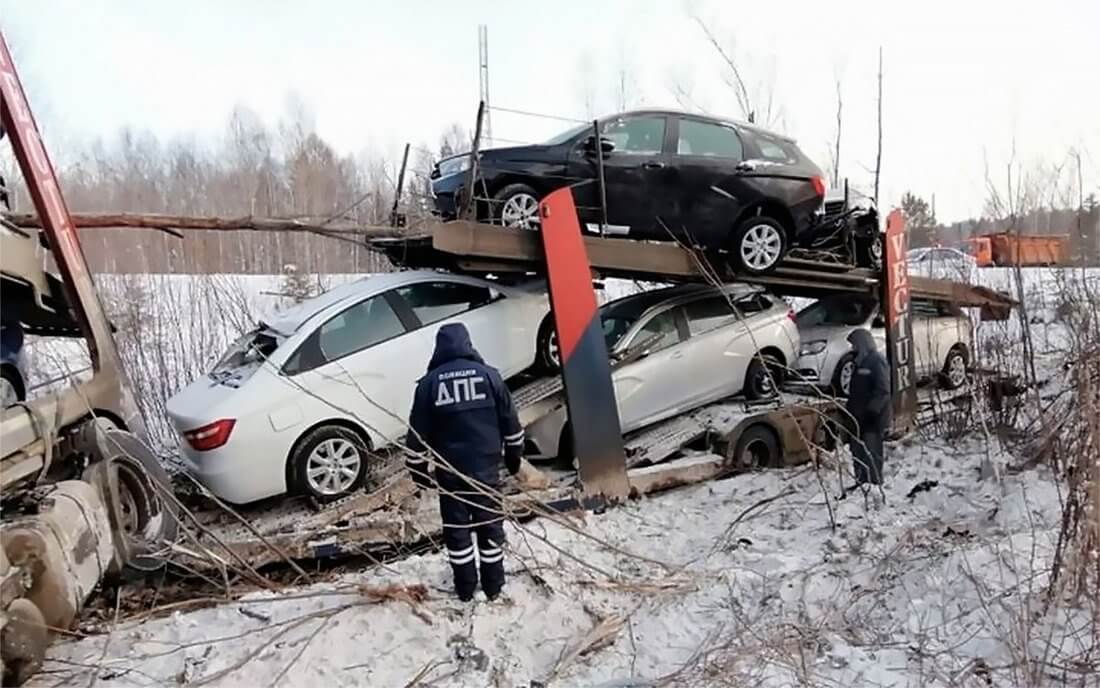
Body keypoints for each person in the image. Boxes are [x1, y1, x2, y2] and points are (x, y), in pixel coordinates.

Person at [405, 323, 524, 602]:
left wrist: (418, 471)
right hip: (485, 471)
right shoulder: (490, 377)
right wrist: (514, 458)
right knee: (490, 526)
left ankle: (465, 587)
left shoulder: (428, 385)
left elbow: (416, 437)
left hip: (450, 474)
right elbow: (512, 424)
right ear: (468, 344)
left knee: (458, 533)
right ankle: (494, 585)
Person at [845, 328, 892, 486]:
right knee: (858, 454)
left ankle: (874, 487)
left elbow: (883, 390)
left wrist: (873, 412)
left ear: (862, 343)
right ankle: (861, 485)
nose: (852, 349)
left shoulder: (876, 361)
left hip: (872, 420)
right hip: (857, 419)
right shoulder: (859, 364)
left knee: (872, 455)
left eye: (854, 345)